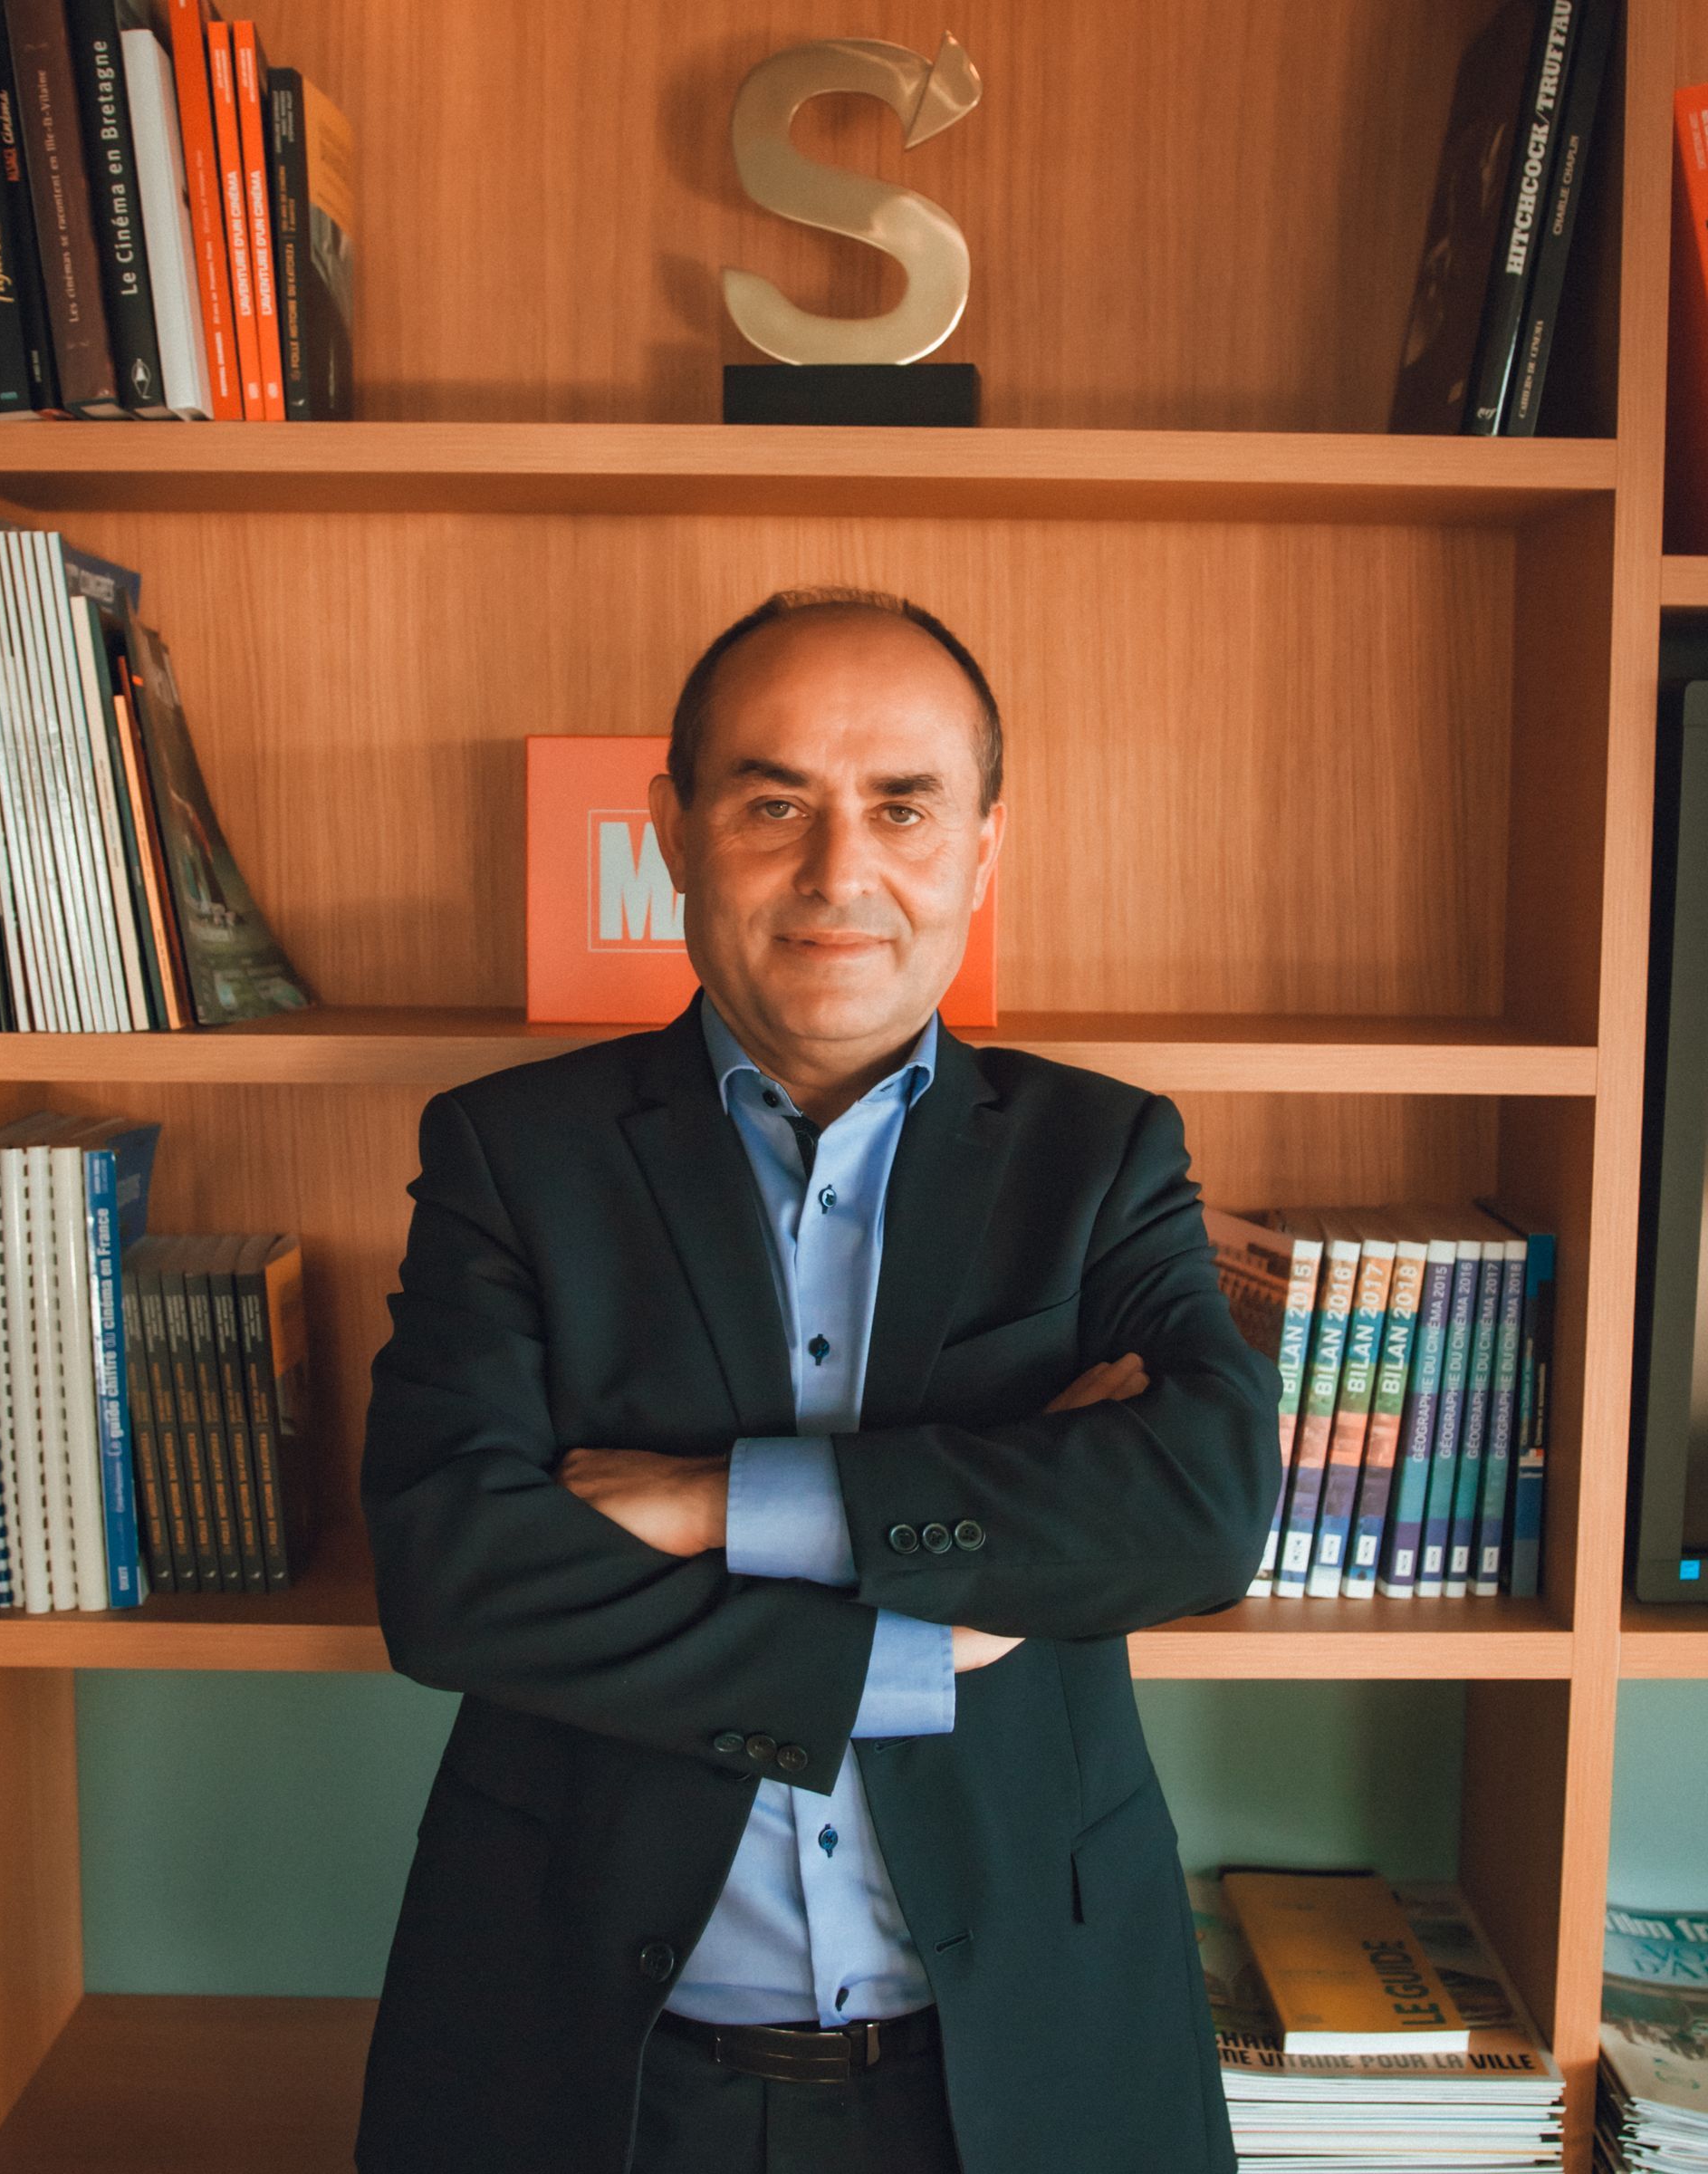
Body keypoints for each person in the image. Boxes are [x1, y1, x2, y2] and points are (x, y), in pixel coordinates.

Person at [353, 586, 1283, 2174]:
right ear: (673, 832)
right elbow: (455, 1581)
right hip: (590, 2062)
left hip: (1029, 2061)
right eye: (774, 802)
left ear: (984, 847)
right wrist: (936, 1636)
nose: (841, 872)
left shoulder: (1102, 1153)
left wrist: (714, 1503)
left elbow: (1194, 1513)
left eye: (904, 807)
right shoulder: (513, 1156)